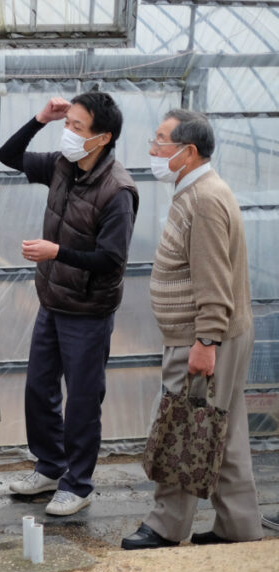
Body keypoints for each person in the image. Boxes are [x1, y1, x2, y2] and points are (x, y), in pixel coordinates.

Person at [122, 110, 262, 549]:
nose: (152, 149)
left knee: (184, 425)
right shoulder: (197, 192)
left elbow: (214, 282)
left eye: (161, 140)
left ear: (189, 152)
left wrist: (205, 341)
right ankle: (238, 527)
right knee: (223, 427)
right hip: (214, 335)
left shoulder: (202, 199)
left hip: (203, 338)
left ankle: (166, 526)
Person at [0, 93, 138, 516]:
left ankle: (78, 484)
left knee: (81, 398)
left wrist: (55, 252)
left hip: (89, 310)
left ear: (103, 137)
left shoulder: (118, 192)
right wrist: (40, 117)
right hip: (53, 299)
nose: (68, 132)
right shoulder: (63, 165)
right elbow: (9, 155)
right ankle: (50, 465)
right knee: (39, 388)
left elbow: (111, 258)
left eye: (77, 127)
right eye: (68, 123)